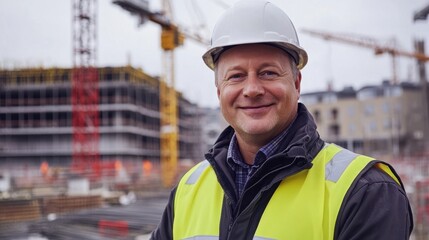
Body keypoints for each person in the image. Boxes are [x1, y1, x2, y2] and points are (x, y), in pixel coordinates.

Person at [151, 0, 413, 239]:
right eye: (236, 76)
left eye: (267, 73)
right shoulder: (187, 190)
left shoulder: (366, 192)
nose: (252, 89)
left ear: (296, 83)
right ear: (219, 91)